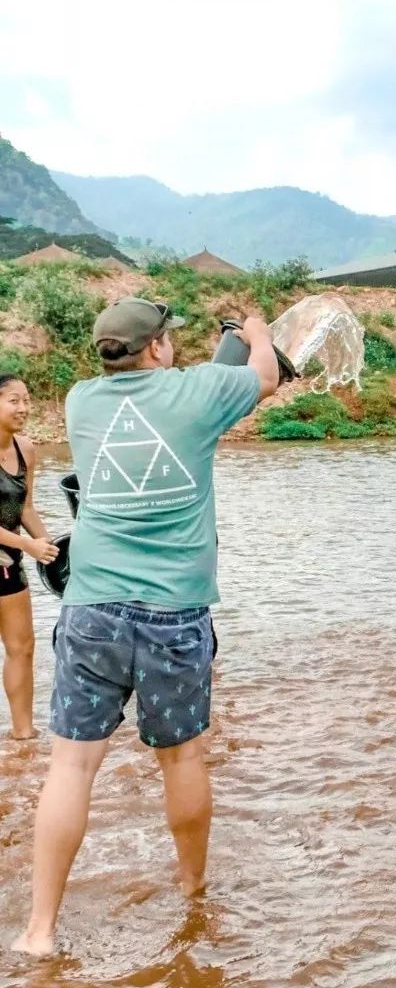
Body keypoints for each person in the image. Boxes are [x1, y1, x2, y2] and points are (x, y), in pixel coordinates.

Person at [13, 299, 279, 955]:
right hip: (175, 612)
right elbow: (267, 376)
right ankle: (192, 895)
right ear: (158, 348)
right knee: (182, 758)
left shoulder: (82, 402)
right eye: (169, 341)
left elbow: (155, 397)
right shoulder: (198, 394)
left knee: (70, 767)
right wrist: (256, 331)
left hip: (92, 608)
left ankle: (39, 931)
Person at [0, 374, 59, 739]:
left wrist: (48, 545)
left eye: (26, 400)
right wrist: (27, 546)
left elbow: (25, 509)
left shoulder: (25, 449)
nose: (23, 408)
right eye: (13, 401)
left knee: (22, 648)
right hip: (13, 552)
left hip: (8, 565)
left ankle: (23, 735)